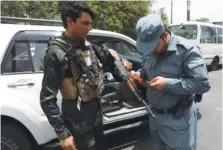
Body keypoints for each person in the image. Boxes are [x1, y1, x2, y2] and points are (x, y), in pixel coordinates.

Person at [40, 1, 132, 150]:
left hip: (96, 119)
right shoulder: (57, 54)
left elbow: (111, 64)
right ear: (70, 21)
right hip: (76, 125)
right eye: (85, 23)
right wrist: (63, 134)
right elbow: (47, 99)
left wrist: (126, 73)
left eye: (91, 23)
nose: (90, 28)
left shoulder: (90, 47)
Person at [134, 14, 211, 150]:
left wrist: (168, 84)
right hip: (155, 117)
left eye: (153, 46)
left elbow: (202, 84)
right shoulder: (150, 51)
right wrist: (138, 75)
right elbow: (146, 70)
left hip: (178, 121)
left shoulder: (187, 51)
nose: (150, 51)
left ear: (165, 36)